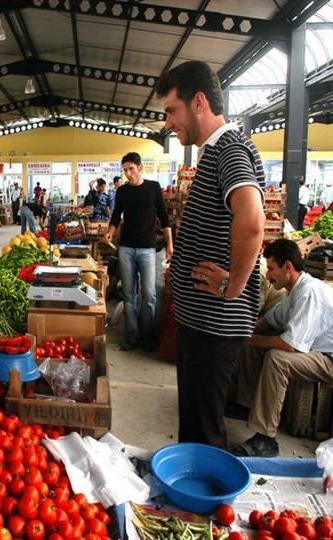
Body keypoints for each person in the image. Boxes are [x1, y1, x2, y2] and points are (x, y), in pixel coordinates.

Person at [156, 60, 265, 449]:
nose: (168, 122)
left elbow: (251, 221)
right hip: (202, 321)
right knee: (195, 427)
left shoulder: (229, 150)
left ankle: (208, 508)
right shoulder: (216, 152)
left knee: (203, 433)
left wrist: (231, 285)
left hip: (215, 323)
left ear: (198, 102)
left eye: (172, 110)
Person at [228, 240, 333, 457]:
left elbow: (289, 345)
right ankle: (245, 405)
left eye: (272, 269)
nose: (268, 276)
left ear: (288, 267)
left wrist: (251, 339)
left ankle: (266, 438)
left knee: (278, 358)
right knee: (253, 340)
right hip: (315, 351)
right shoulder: (294, 291)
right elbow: (269, 320)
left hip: (329, 358)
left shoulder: (309, 292)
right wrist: (244, 330)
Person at [104, 153, 172, 351]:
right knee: (129, 294)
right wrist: (110, 232)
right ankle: (132, 337)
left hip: (147, 250)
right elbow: (116, 216)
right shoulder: (123, 191)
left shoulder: (153, 188)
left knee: (149, 295)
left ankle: (147, 338)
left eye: (131, 169)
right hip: (126, 249)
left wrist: (170, 244)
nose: (128, 173)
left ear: (140, 168)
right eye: (125, 170)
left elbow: (165, 218)